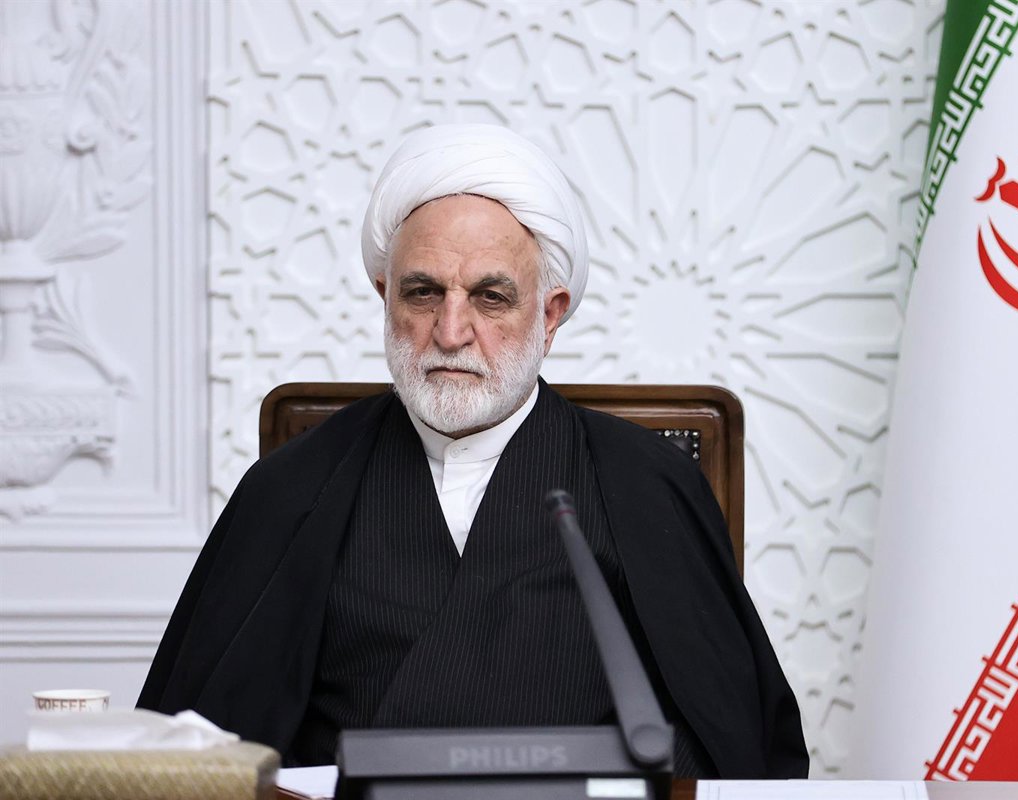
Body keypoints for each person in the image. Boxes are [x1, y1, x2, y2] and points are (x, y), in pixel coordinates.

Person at [138, 124, 809, 779]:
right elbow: (192, 757)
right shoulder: (290, 488)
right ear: (385, 296)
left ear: (549, 314)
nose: (451, 331)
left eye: (490, 297)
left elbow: (728, 752)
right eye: (423, 293)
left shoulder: (648, 484)